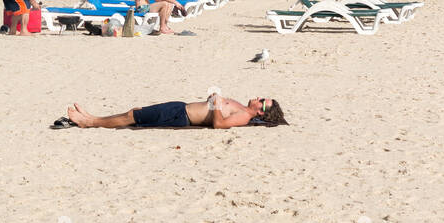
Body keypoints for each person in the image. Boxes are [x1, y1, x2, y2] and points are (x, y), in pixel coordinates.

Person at [63, 96, 288, 129]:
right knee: (137, 111)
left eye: (262, 102)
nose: (258, 98)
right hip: (181, 108)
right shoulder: (241, 106)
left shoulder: (244, 116)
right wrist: (213, 99)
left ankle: (90, 122)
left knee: (134, 117)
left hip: (181, 116)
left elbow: (219, 124)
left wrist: (217, 106)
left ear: (260, 113)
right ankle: (93, 118)